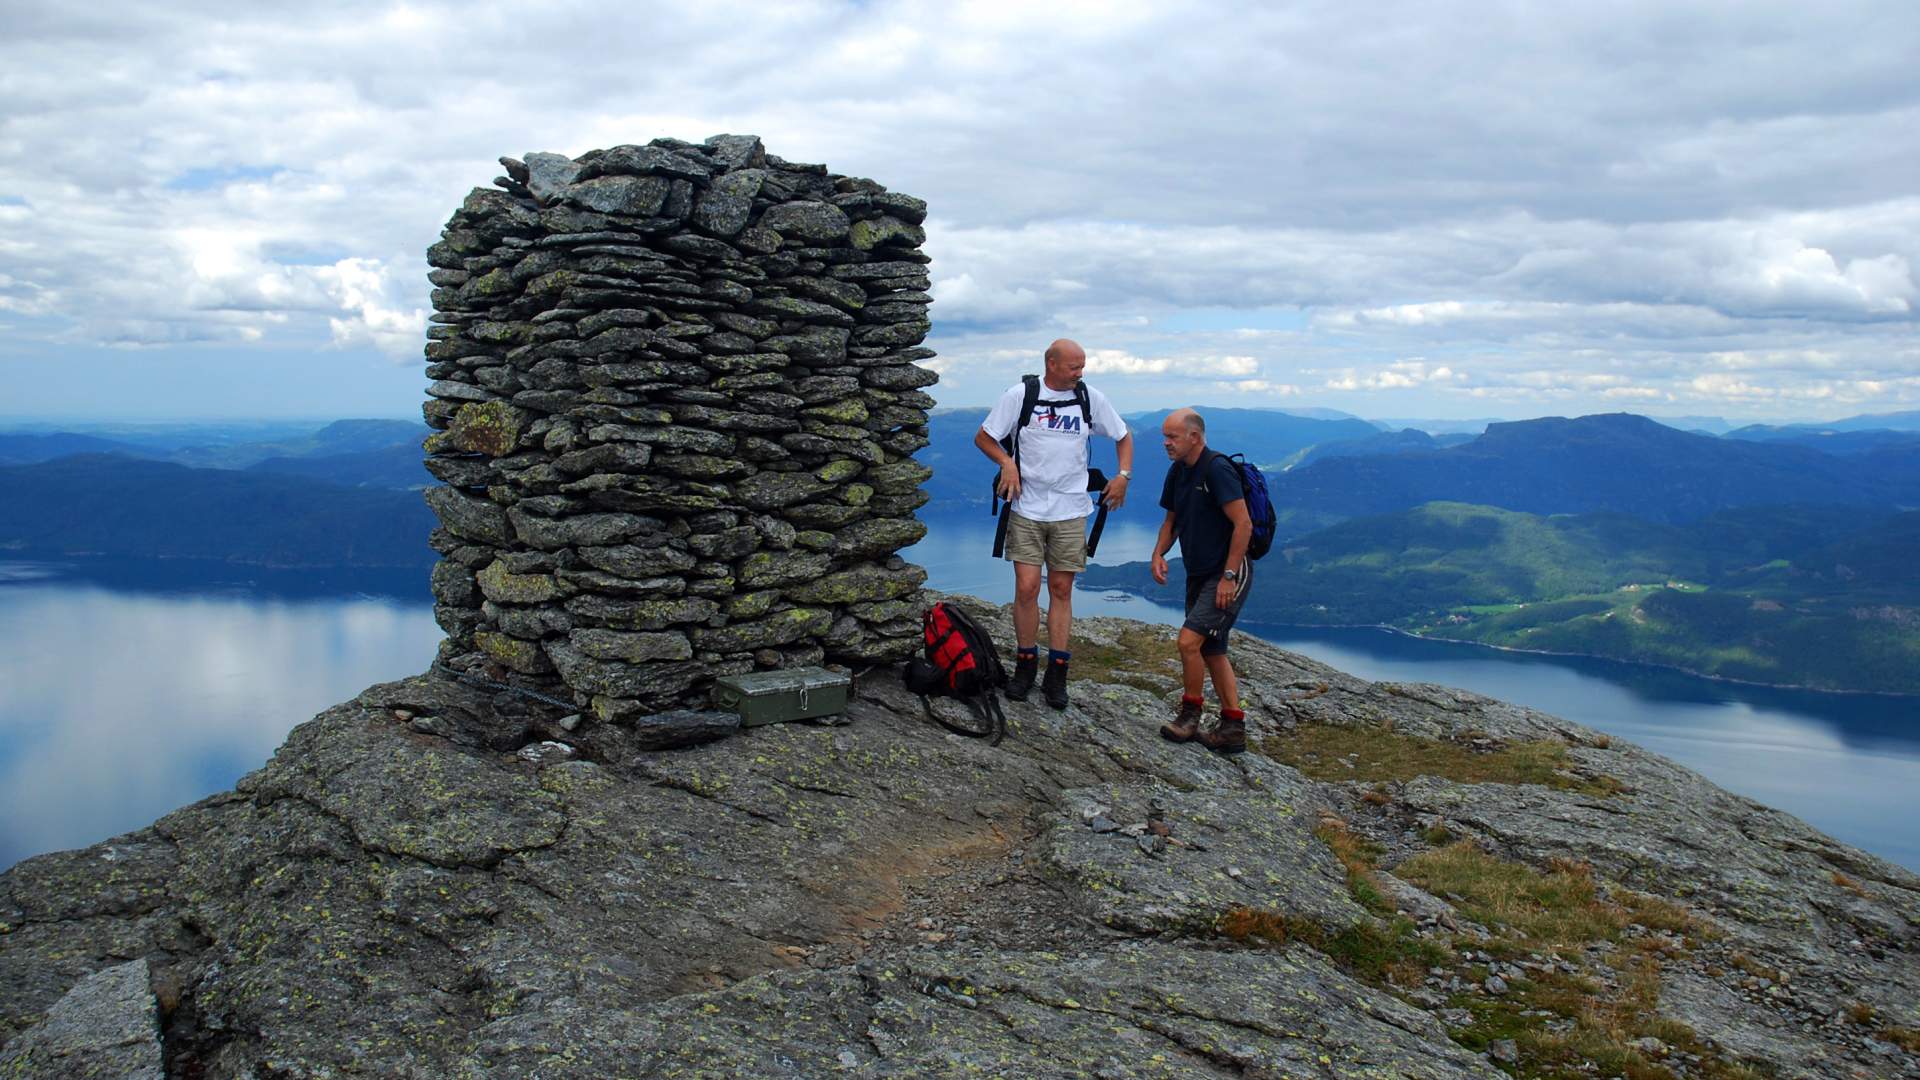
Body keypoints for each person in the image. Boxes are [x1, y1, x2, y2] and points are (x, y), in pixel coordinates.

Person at [974, 339, 1134, 709]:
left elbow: (1123, 435)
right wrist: (1007, 463)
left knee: (1061, 589)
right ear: (1051, 363)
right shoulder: (1021, 395)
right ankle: (1026, 666)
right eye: (1074, 366)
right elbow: (984, 436)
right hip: (1027, 508)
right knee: (1027, 588)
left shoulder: (1089, 398)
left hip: (1070, 509)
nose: (1081, 372)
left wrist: (1123, 475)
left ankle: (1057, 673)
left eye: (1082, 366)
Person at [1150, 407, 1253, 754]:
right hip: (1199, 572)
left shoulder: (1217, 469)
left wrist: (1228, 575)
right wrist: (1158, 553)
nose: (1165, 443)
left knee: (1188, 642)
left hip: (1226, 573)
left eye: (1172, 437)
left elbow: (1244, 525)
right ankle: (1232, 727)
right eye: (1165, 436)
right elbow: (1171, 521)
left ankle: (1189, 716)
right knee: (1213, 648)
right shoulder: (1178, 472)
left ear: (1194, 436)